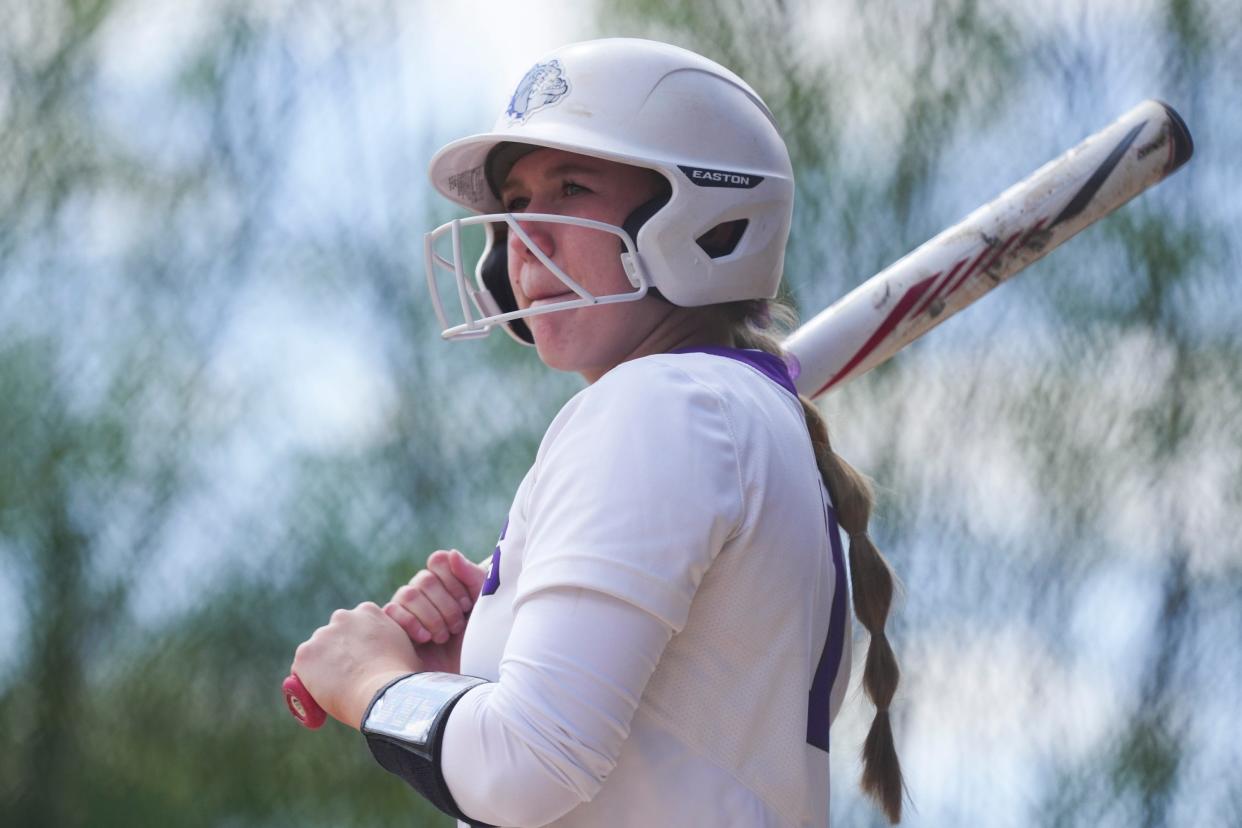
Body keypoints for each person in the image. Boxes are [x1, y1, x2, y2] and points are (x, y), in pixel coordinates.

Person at [290, 37, 904, 827]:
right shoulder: (725, 411)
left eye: (572, 187)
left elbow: (522, 768)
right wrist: (481, 660)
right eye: (514, 202)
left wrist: (373, 684)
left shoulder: (659, 406)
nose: (526, 237)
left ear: (707, 214)